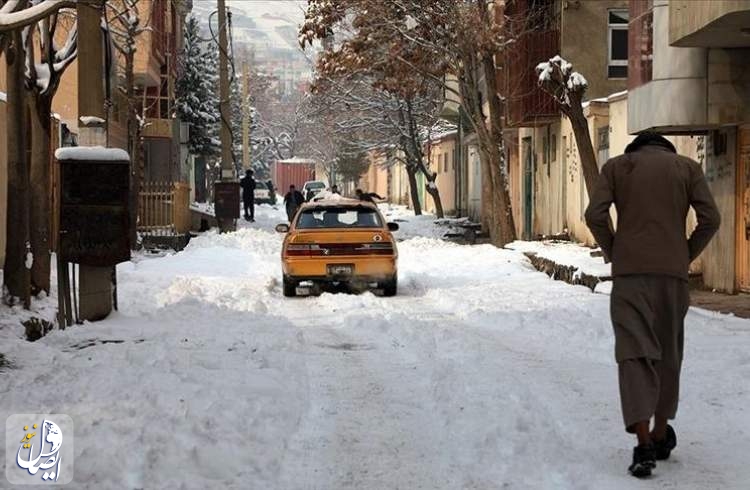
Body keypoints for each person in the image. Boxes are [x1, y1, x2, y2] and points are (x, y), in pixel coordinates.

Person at [585, 132, 720, 478]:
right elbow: (711, 219)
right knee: (667, 352)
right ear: (666, 149)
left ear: (636, 149)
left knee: (634, 352)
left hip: (630, 275)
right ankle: (662, 432)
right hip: (672, 276)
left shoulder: (617, 167)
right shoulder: (686, 168)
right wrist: (685, 252)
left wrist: (614, 250)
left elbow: (595, 215)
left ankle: (643, 440)